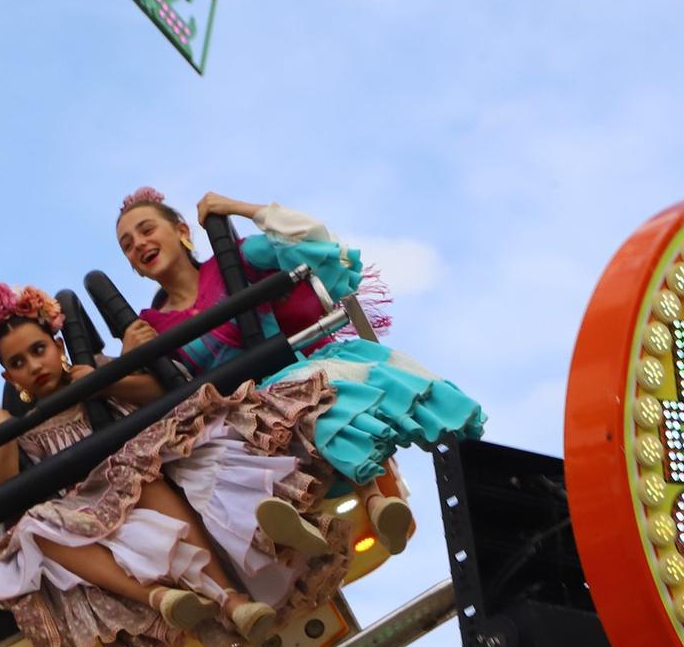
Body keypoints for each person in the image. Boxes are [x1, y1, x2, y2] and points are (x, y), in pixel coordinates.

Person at [0, 283, 346, 647]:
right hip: (85, 521)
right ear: (8, 377)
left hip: (144, 489)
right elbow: (5, 499)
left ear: (59, 346)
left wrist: (102, 380)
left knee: (137, 468)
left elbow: (160, 392)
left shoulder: (96, 372)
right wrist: (4, 439)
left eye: (38, 350)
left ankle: (231, 598)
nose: (33, 366)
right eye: (18, 363)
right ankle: (158, 598)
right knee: (32, 531)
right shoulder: (24, 431)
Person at [114, 189, 488, 555]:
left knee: (311, 399)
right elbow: (153, 395)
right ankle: (308, 527)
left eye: (147, 230)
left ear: (181, 230)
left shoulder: (233, 261)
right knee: (215, 454)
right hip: (237, 413)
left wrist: (235, 207)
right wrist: (127, 357)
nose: (139, 245)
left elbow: (312, 241)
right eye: (128, 245)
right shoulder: (150, 325)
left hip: (289, 377)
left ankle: (375, 501)